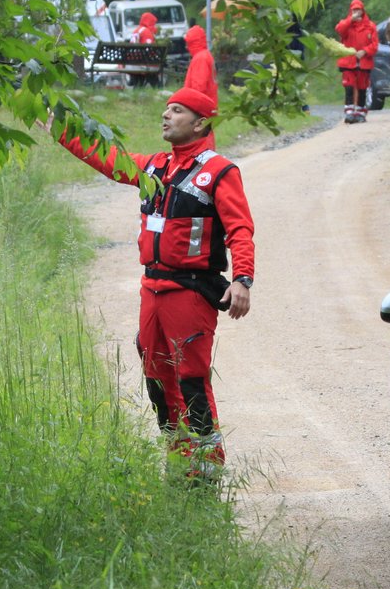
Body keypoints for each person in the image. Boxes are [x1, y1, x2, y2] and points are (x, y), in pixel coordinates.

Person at [53, 79, 255, 476]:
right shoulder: (155, 167)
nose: (166, 114)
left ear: (200, 124)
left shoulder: (218, 171)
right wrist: (63, 130)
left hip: (191, 291)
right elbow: (108, 160)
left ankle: (205, 473)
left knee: (192, 378)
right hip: (152, 288)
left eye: (177, 110)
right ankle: (178, 460)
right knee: (157, 376)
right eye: (167, 108)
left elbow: (240, 229)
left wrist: (242, 279)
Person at [335, 0, 378, 124]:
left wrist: (364, 51)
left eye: (359, 10)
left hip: (364, 62)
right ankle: (349, 112)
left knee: (362, 87)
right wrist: (351, 20)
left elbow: (375, 45)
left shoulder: (370, 26)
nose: (357, 12)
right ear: (351, 10)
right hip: (348, 61)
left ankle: (360, 112)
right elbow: (339, 30)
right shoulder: (346, 25)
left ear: (363, 10)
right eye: (354, 10)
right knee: (348, 85)